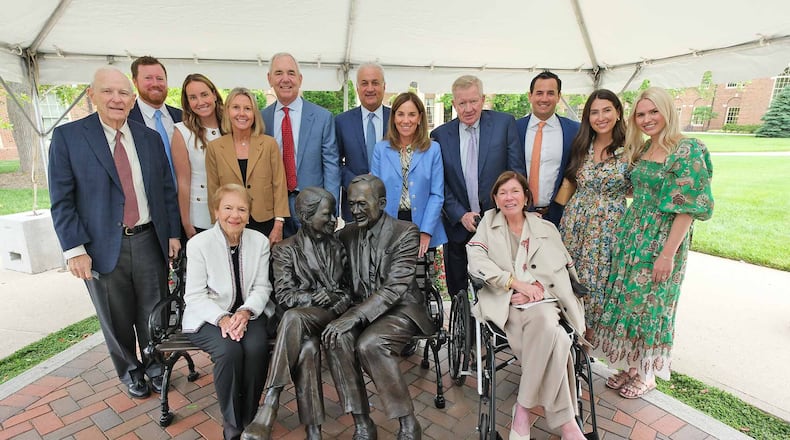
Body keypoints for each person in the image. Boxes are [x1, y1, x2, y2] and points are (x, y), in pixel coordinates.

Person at [48, 66, 181, 399]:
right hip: (102, 247)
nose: (116, 99)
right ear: (92, 94)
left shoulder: (148, 138)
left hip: (150, 239)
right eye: (108, 91)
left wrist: (173, 234)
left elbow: (166, 191)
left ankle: (154, 365)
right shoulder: (69, 137)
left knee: (154, 312)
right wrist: (74, 249)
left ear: (132, 98)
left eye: (123, 93)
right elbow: (61, 200)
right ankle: (131, 371)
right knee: (115, 317)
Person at [594, 87, 714, 399]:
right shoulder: (646, 148)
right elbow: (638, 190)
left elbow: (688, 207)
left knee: (652, 306)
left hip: (663, 238)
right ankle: (630, 366)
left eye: (653, 112)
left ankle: (647, 374)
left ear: (667, 112)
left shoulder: (687, 149)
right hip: (633, 235)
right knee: (628, 302)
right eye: (641, 114)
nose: (647, 119)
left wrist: (667, 254)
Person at [466, 171, 587, 440]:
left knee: (546, 321)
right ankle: (566, 423)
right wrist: (514, 285)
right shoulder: (488, 223)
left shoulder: (546, 228)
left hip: (544, 301)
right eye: (502, 193)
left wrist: (540, 289)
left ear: (526, 197)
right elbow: (476, 260)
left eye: (515, 191)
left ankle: (523, 409)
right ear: (496, 199)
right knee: (556, 337)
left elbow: (561, 266)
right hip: (507, 302)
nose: (509, 197)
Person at [322, 174, 434, 440]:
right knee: (335, 338)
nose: (355, 210)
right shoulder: (345, 234)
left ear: (381, 202)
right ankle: (363, 423)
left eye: (362, 204)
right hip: (360, 307)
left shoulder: (405, 232)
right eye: (352, 204)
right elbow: (337, 277)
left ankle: (408, 423)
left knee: (370, 344)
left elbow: (395, 288)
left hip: (400, 309)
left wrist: (355, 316)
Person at [242, 188, 352, 440]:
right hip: (301, 321)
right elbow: (284, 296)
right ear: (304, 215)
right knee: (308, 347)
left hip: (330, 317)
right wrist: (314, 296)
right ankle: (314, 429)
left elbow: (348, 290)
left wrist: (333, 299)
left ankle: (271, 402)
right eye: (327, 214)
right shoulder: (285, 249)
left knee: (294, 319)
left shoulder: (338, 247)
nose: (333, 220)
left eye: (334, 213)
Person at [183, 184, 277, 440]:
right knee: (229, 351)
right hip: (208, 316)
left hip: (250, 312)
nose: (234, 215)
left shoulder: (259, 241)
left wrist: (245, 313)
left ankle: (251, 419)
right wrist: (222, 319)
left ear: (248, 214)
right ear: (216, 211)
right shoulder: (199, 244)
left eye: (241, 209)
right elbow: (193, 295)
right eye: (227, 208)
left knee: (257, 347)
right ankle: (233, 424)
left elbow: (261, 286)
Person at [431, 74, 525, 298]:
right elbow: (439, 183)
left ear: (482, 99)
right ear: (454, 104)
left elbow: (516, 173)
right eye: (462, 103)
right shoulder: (440, 136)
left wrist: (511, 212)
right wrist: (460, 214)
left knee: (498, 289)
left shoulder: (504, 124)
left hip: (499, 224)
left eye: (473, 101)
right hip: (458, 227)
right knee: (458, 293)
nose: (468, 108)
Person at [559, 89, 631, 343]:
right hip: (575, 223)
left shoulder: (630, 149)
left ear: (618, 112)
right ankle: (567, 340)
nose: (601, 117)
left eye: (607, 110)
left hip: (608, 229)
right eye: (594, 112)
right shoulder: (581, 145)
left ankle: (586, 345)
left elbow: (638, 187)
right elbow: (569, 183)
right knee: (569, 280)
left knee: (597, 285)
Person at [262, 52, 340, 236]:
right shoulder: (260, 119)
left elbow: (331, 166)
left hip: (314, 208)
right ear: (269, 78)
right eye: (279, 73)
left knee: (314, 262)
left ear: (300, 78)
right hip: (273, 209)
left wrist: (330, 209)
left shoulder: (322, 118)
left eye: (291, 73)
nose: (285, 79)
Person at [205, 87, 289, 244]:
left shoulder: (269, 144)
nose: (242, 113)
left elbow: (279, 185)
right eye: (236, 107)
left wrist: (279, 223)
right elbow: (213, 190)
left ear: (254, 114)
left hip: (265, 222)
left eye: (247, 109)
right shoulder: (215, 147)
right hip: (230, 221)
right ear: (228, 111)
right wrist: (217, 223)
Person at [370, 91, 446, 258]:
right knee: (389, 279)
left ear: (419, 118)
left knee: (420, 281)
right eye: (401, 114)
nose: (406, 120)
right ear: (393, 118)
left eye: (412, 114)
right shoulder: (380, 150)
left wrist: (426, 231)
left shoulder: (433, 150)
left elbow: (437, 194)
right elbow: (374, 193)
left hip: (423, 225)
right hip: (388, 227)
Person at [516, 71, 580, 226]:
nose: (544, 98)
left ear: (559, 96)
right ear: (530, 96)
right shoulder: (514, 129)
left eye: (550, 93)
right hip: (519, 215)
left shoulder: (575, 131)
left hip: (559, 216)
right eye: (539, 93)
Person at [171, 73, 224, 238]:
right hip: (199, 217)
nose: (200, 102)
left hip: (233, 215)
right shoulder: (182, 132)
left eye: (204, 94)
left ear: (214, 94)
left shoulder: (232, 127)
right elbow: (183, 181)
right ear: (187, 103)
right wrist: (186, 223)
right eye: (193, 97)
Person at [336, 62, 390, 221]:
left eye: (375, 83)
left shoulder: (397, 119)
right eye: (364, 83)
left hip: (392, 205)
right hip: (355, 207)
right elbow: (335, 163)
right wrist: (356, 183)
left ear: (384, 86)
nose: (370, 88)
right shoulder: (341, 121)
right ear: (357, 88)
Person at [127, 56, 183, 181]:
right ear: (135, 82)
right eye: (148, 78)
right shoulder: (126, 120)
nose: (155, 83)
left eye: (160, 78)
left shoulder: (182, 117)